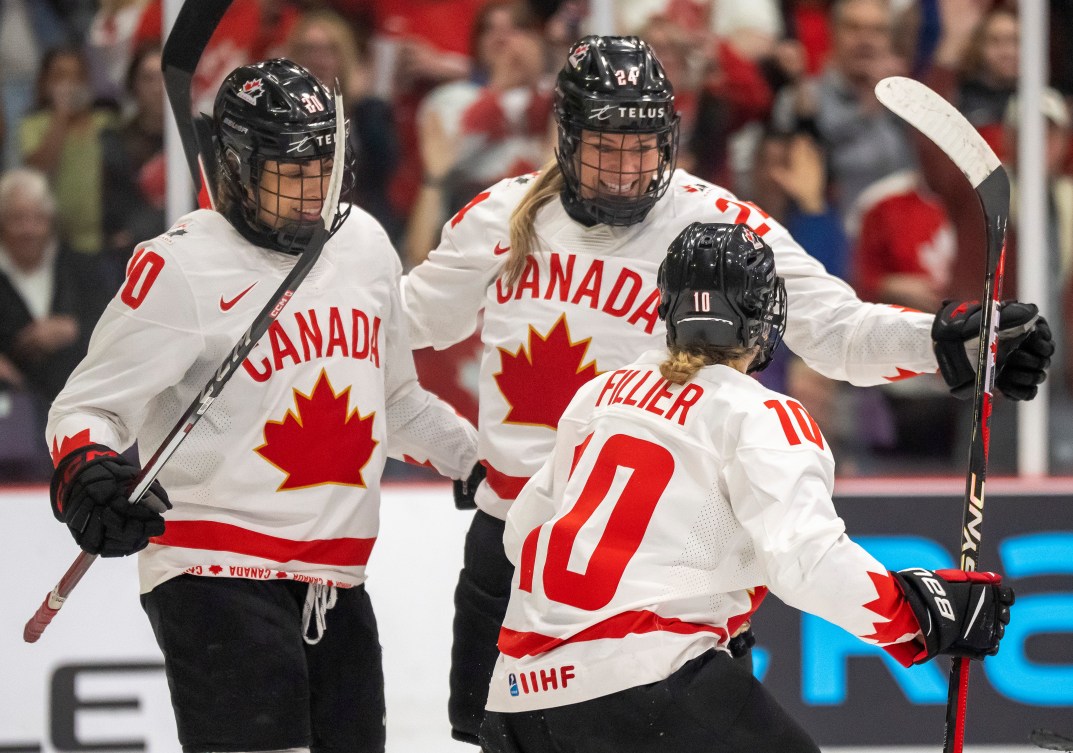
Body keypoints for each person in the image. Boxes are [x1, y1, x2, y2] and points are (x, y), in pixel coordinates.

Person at [400, 35, 1051, 746]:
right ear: (564, 137)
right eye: (603, 146)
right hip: (518, 545)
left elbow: (833, 327)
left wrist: (940, 339)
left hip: (661, 558)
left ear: (670, 139)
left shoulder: (713, 227)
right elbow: (391, 329)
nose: (623, 169)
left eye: (642, 146)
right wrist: (449, 445)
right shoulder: (500, 218)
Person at [45, 59, 478, 753]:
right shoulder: (181, 267)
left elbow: (393, 400)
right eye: (289, 172)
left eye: (323, 168)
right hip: (213, 570)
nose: (312, 191)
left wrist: (477, 461)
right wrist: (87, 470)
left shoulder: (363, 245)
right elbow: (88, 406)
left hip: (335, 580)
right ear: (239, 168)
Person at [478, 221, 1015, 753]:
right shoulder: (760, 414)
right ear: (763, 319)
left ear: (667, 310)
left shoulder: (599, 395)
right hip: (642, 690)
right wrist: (919, 615)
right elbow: (807, 563)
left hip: (517, 701)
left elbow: (521, 533)